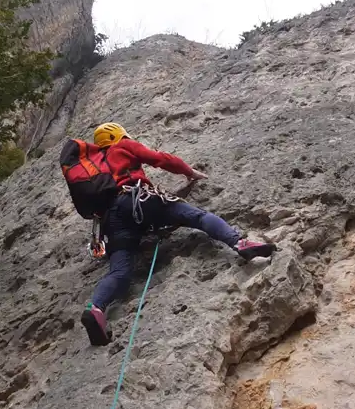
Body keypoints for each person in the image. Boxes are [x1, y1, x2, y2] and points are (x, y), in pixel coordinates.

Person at [72, 122, 277, 346]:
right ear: (118, 135)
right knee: (196, 216)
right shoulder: (122, 146)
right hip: (137, 199)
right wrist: (189, 171)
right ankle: (239, 243)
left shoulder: (95, 166)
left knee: (120, 273)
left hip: (113, 220)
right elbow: (159, 158)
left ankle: (97, 308)